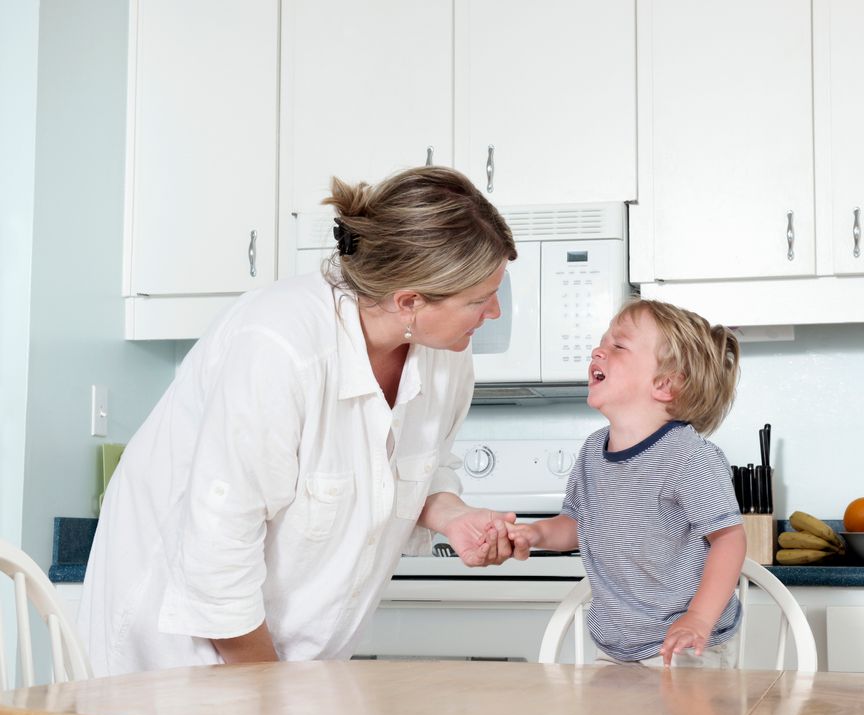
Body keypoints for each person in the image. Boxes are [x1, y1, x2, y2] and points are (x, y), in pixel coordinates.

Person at [79, 166, 521, 676]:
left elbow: (417, 465)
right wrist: (274, 698)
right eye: (478, 300)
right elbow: (218, 555)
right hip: (175, 649)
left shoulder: (445, 356)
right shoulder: (280, 348)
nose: (493, 313)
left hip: (297, 661)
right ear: (409, 302)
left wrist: (451, 514)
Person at [508, 299, 745, 667]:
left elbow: (729, 540)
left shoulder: (688, 457)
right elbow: (575, 526)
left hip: (682, 645)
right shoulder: (592, 451)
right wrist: (535, 533)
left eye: (618, 346)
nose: (598, 350)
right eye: (603, 341)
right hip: (616, 645)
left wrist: (697, 618)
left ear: (665, 384)